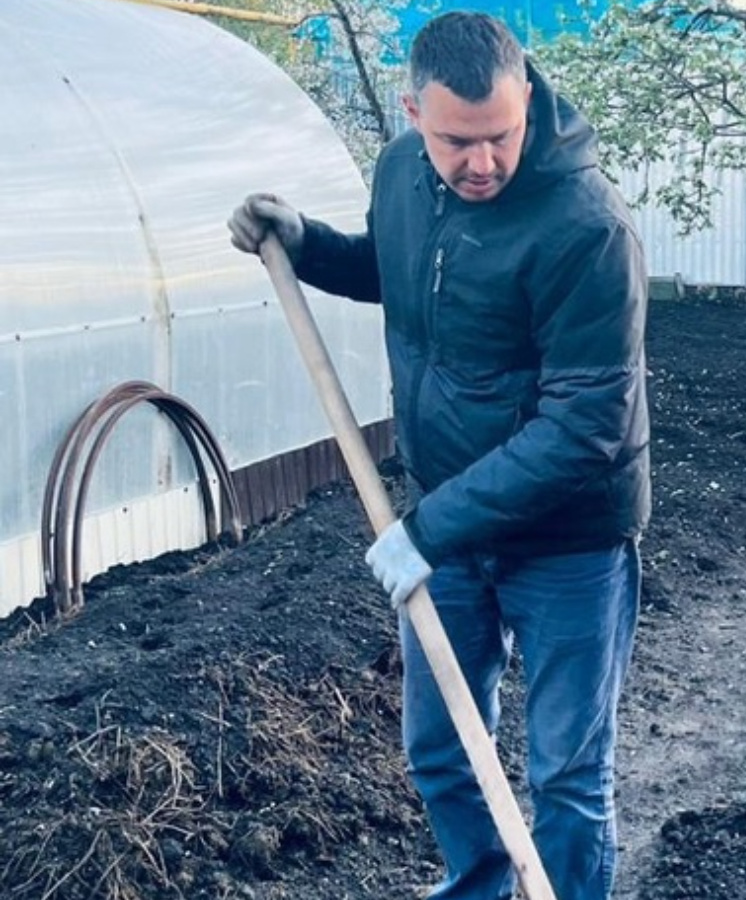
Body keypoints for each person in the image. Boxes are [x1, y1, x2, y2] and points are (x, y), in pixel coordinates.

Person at [227, 13, 649, 900]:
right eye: (459, 141)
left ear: (526, 98)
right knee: (442, 746)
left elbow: (586, 425)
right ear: (414, 112)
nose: (483, 161)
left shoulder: (586, 227)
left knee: (568, 771)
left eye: (501, 135)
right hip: (450, 518)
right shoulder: (401, 174)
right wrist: (304, 242)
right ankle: (483, 885)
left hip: (567, 537)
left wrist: (429, 527)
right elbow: (403, 270)